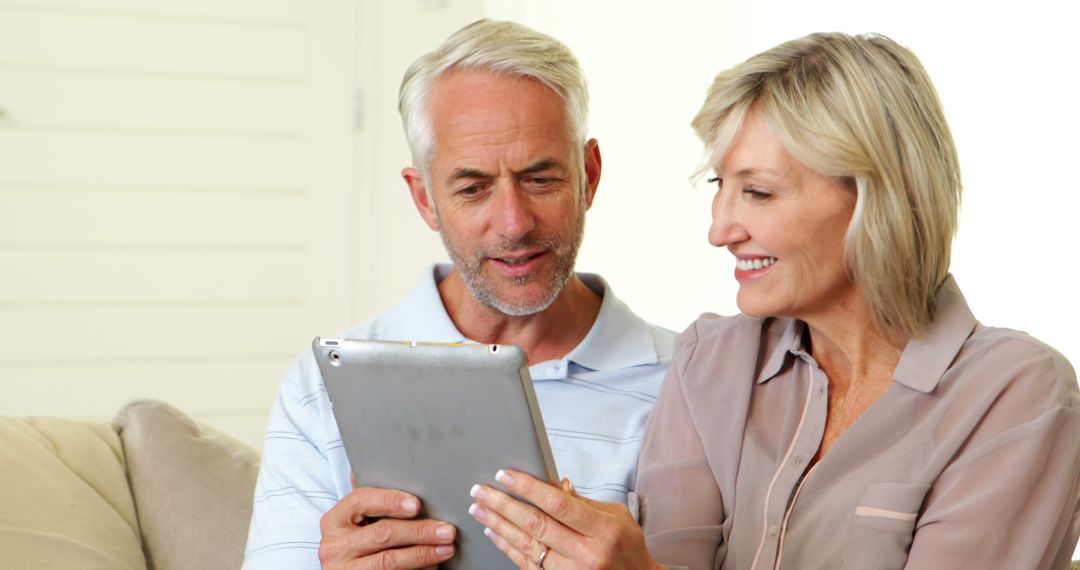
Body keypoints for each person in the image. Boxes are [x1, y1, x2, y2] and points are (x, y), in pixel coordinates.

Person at [470, 32, 1080, 569]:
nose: (720, 228)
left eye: (758, 192)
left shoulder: (1016, 395)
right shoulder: (709, 361)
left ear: (876, 198)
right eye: (720, 186)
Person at [241, 19, 674, 570]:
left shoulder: (691, 381)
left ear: (588, 174)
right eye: (473, 188)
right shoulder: (319, 388)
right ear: (425, 199)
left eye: (541, 179)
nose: (513, 223)